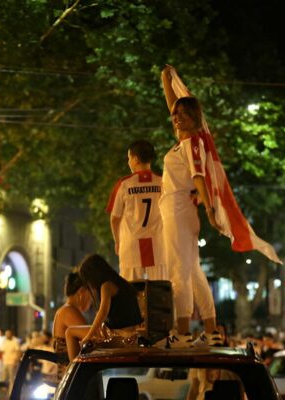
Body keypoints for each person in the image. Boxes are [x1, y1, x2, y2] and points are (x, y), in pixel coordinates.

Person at [160, 65, 223, 346]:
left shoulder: (191, 144)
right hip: (178, 210)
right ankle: (211, 330)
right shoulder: (185, 141)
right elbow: (173, 106)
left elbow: (198, 177)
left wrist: (209, 209)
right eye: (174, 115)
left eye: (181, 115)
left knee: (179, 273)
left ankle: (182, 331)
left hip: (179, 210)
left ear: (193, 118)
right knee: (194, 272)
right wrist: (166, 81)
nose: (175, 118)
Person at [106, 140, 168, 281]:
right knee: (159, 292)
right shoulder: (163, 182)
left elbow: (115, 218)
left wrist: (118, 242)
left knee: (131, 293)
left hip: (131, 246)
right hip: (158, 245)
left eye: (129, 158)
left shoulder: (124, 184)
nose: (129, 162)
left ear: (136, 159)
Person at [65, 254, 143, 360]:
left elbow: (102, 313)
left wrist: (88, 337)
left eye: (87, 279)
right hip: (132, 334)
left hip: (117, 334)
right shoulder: (122, 283)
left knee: (69, 332)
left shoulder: (106, 286)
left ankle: (74, 370)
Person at [52, 270, 91, 378]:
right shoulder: (68, 311)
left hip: (68, 377)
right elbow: (93, 337)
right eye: (91, 294)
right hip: (71, 377)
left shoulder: (65, 310)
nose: (91, 300)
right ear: (82, 292)